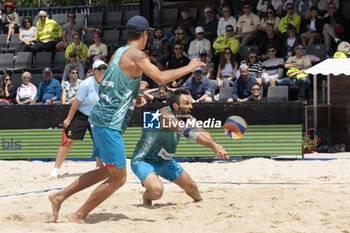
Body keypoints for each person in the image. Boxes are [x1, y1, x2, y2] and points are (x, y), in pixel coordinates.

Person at [48, 15, 204, 224]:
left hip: (100, 119)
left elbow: (105, 84)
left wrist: (131, 97)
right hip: (109, 124)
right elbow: (160, 78)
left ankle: (59, 196)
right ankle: (78, 215)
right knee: (119, 178)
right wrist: (190, 66)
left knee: (104, 170)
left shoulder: (118, 53)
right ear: (145, 34)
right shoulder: (137, 56)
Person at [131, 89, 228, 206]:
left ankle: (201, 204)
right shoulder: (164, 114)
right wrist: (212, 145)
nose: (191, 106)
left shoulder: (188, 118)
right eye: (187, 103)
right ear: (176, 106)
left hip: (165, 160)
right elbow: (186, 131)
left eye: (191, 103)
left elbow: (202, 132)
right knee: (157, 191)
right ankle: (146, 196)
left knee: (191, 187)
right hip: (143, 160)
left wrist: (216, 146)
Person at [50, 60, 107, 178]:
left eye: (104, 68)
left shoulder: (107, 84)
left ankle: (98, 167)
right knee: (68, 141)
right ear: (93, 71)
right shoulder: (86, 84)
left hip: (96, 116)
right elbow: (76, 103)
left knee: (99, 143)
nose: (102, 71)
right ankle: (55, 169)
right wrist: (68, 119)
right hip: (81, 114)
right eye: (99, 68)